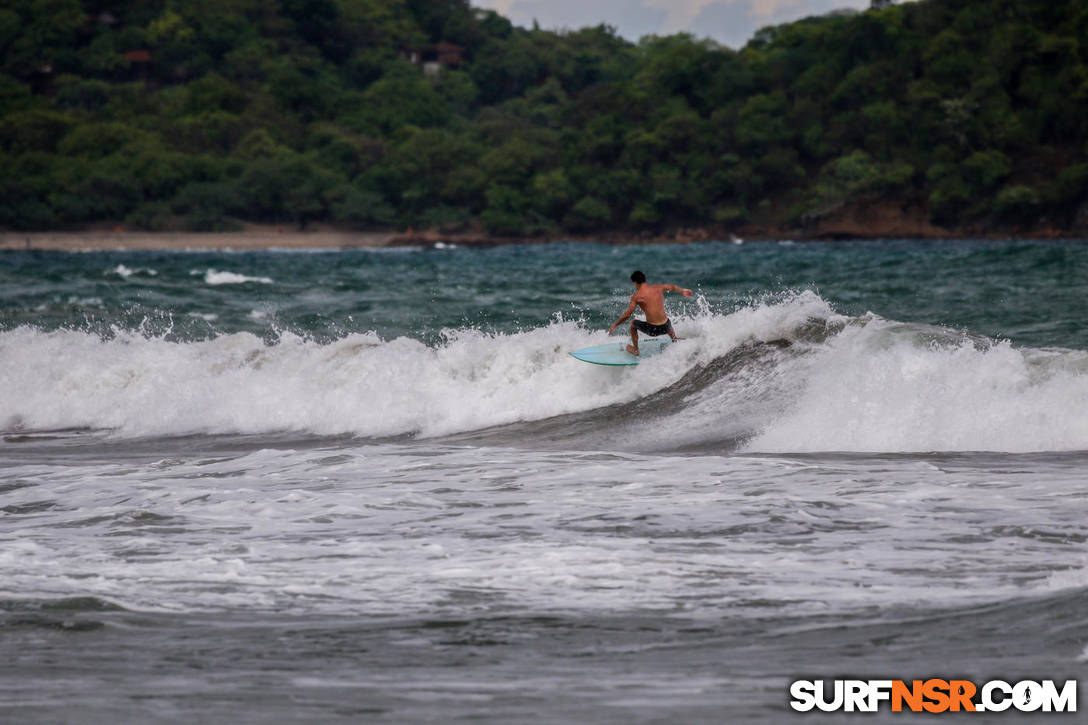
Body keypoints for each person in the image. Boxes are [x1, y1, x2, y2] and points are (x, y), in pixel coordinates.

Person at [607, 270, 692, 356]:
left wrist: (615, 325)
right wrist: (682, 290)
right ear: (644, 280)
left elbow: (628, 314)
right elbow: (672, 287)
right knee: (665, 319)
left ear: (635, 283)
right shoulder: (658, 288)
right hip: (666, 327)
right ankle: (674, 339)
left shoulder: (636, 296)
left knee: (633, 323)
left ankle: (636, 350)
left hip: (652, 330)